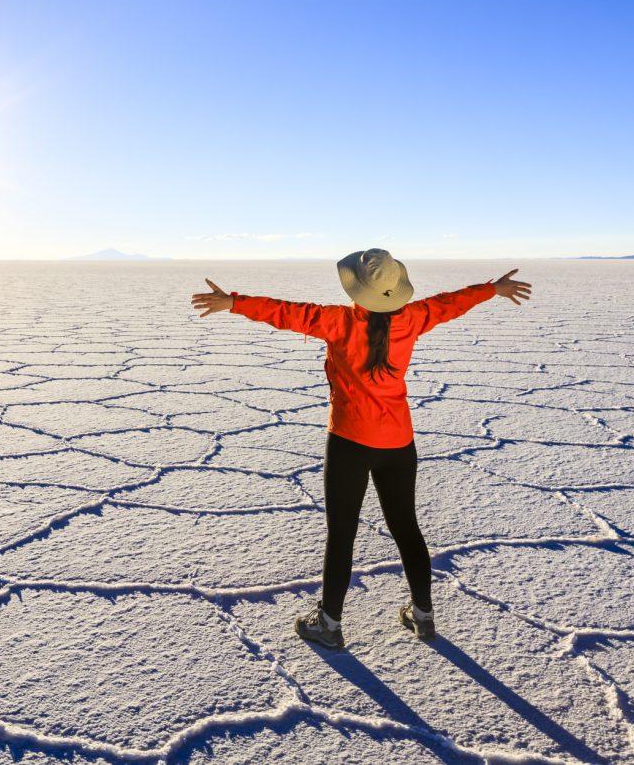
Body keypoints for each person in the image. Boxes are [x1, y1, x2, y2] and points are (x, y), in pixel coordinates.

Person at [190, 249, 531, 648]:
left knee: (342, 535)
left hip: (350, 441)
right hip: (399, 443)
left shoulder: (338, 322)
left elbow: (286, 312)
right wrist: (492, 288)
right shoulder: (414, 317)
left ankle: (329, 625)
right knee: (406, 528)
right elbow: (450, 303)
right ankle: (423, 617)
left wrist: (233, 303)